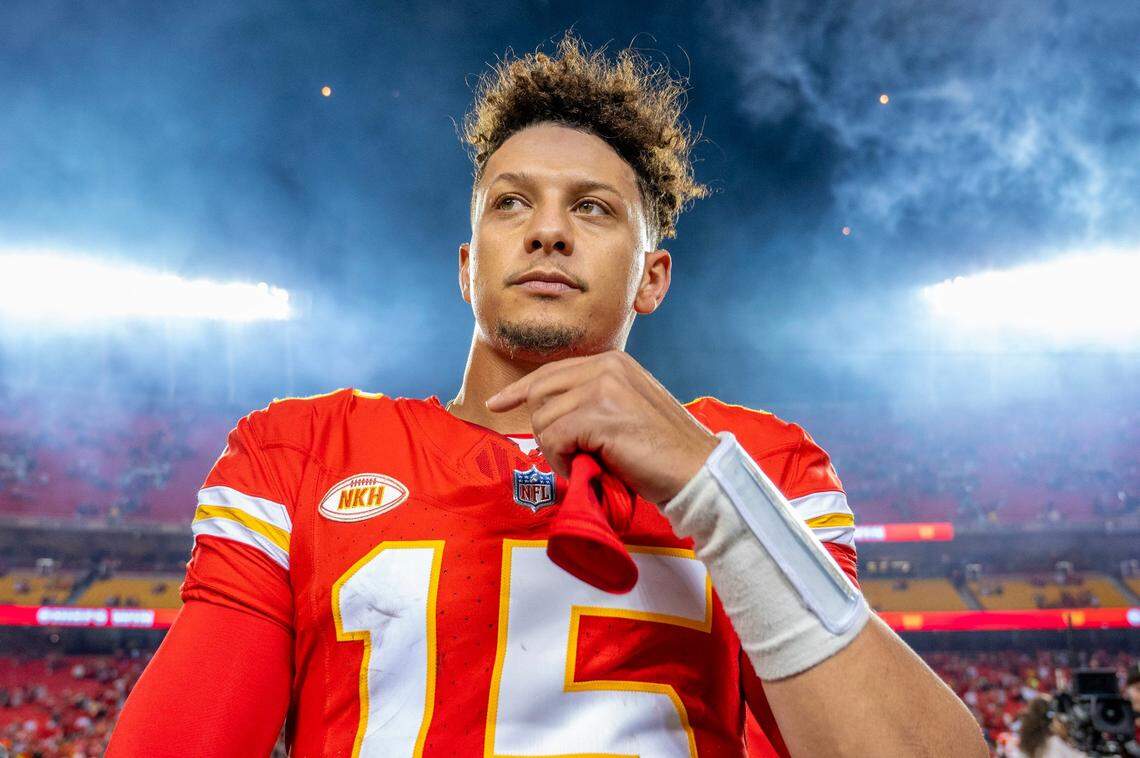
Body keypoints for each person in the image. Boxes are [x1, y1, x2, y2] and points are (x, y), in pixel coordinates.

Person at [107, 31, 984, 756]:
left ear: (653, 278)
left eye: (595, 209)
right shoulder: (296, 455)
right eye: (510, 204)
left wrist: (708, 487)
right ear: (467, 266)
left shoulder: (762, 466)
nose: (550, 231)